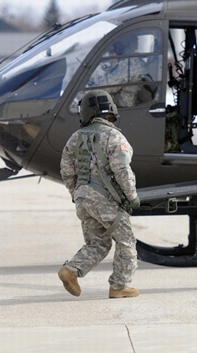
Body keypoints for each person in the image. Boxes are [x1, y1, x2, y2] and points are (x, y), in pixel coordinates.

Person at [58, 89, 140, 298]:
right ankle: (120, 286)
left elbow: (66, 171)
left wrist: (76, 194)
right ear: (111, 112)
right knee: (126, 242)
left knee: (98, 243)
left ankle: (71, 270)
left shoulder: (75, 138)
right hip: (105, 201)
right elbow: (122, 170)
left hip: (82, 199)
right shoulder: (114, 136)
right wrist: (132, 197)